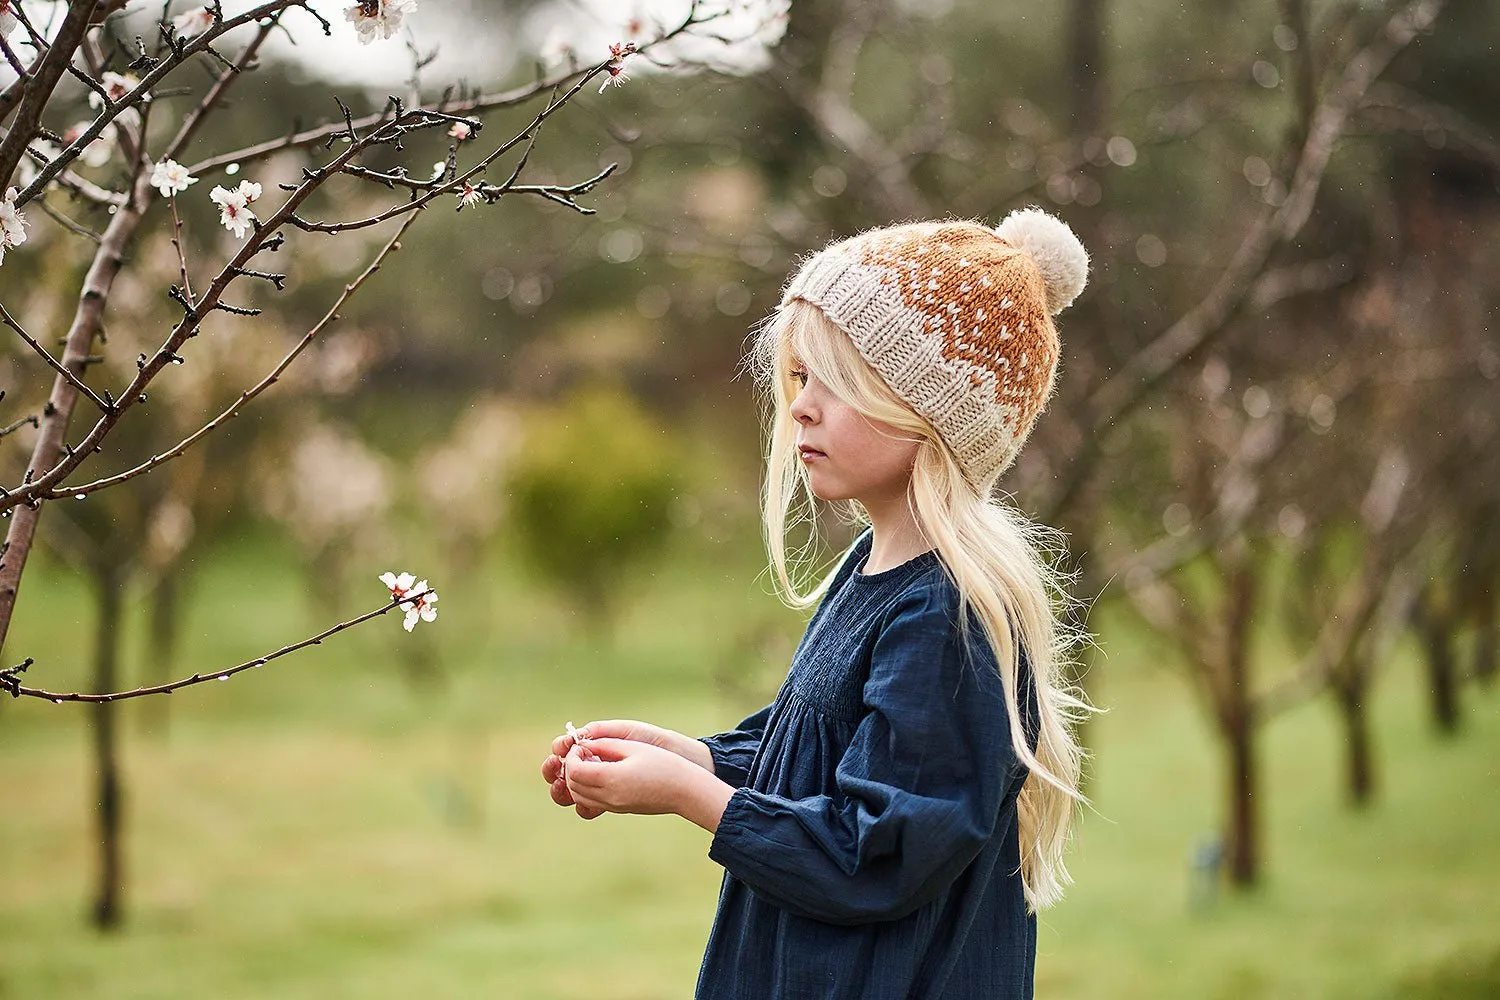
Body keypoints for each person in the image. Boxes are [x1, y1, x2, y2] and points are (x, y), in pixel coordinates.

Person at [540, 208, 1096, 999]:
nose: (802, 405)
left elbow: (879, 853)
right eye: (802, 376)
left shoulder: (947, 615)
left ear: (929, 413)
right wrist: (686, 757)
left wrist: (689, 797)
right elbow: (820, 755)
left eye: (842, 381)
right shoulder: (871, 568)